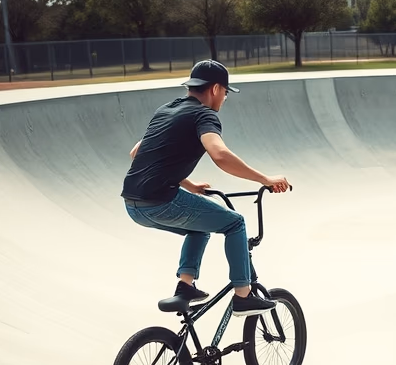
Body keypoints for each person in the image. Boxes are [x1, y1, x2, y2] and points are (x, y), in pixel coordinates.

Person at [121, 59, 291, 315]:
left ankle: (185, 286)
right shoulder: (204, 115)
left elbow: (137, 153)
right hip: (160, 200)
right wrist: (264, 179)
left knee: (199, 229)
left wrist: (189, 185)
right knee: (235, 223)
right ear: (214, 89)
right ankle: (243, 296)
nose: (224, 99)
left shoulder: (166, 109)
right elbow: (219, 154)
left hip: (133, 204)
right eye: (225, 93)